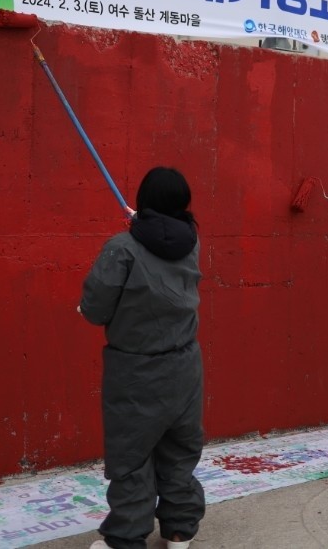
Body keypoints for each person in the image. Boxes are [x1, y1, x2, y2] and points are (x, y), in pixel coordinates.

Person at [80, 167, 205, 549]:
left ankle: (126, 537)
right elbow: (163, 238)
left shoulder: (123, 247)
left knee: (131, 456)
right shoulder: (190, 242)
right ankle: (180, 531)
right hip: (185, 367)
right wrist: (143, 224)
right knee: (179, 451)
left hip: (136, 370)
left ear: (145, 202)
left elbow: (95, 309)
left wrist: (135, 229)